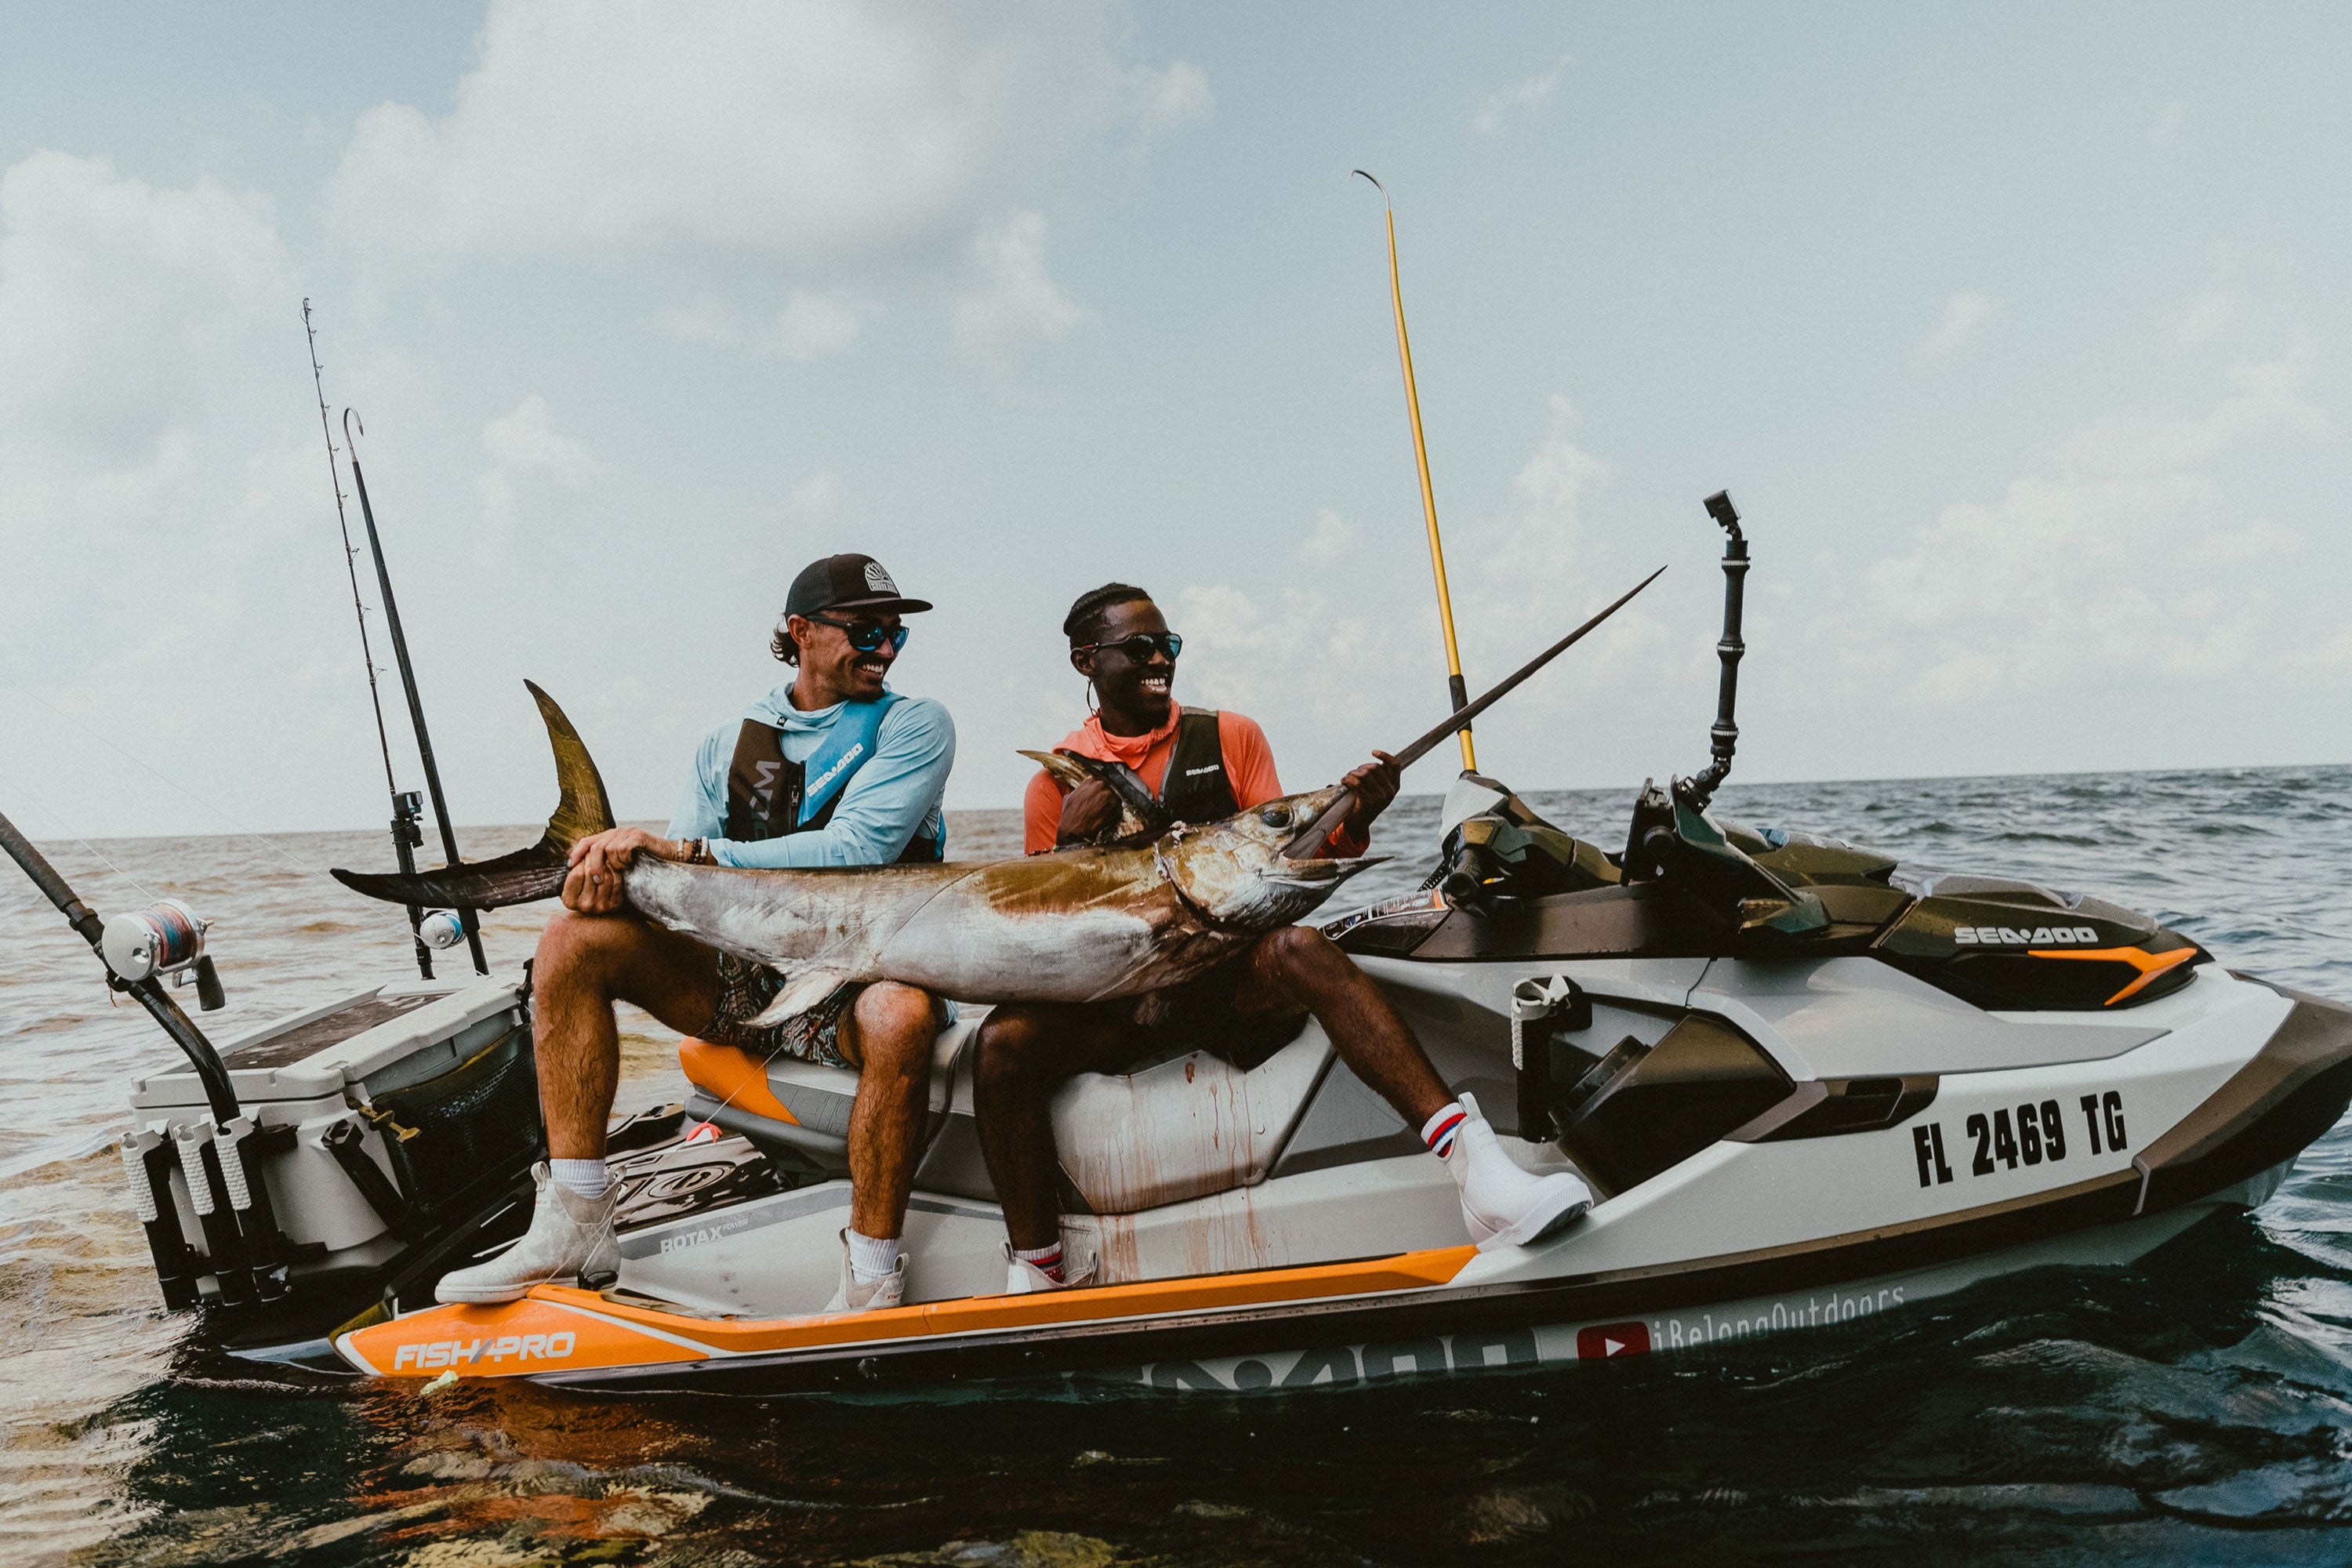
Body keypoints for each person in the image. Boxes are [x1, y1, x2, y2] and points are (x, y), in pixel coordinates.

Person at [976, 583, 1591, 1292]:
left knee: (1301, 948)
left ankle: (1481, 1178)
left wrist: (1355, 821)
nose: (1160, 660)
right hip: (1122, 1004)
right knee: (999, 1045)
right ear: (1088, 662)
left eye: (1168, 645)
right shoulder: (1055, 782)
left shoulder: (1233, 737)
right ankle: (1039, 1269)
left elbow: (1288, 862)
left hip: (1224, 982)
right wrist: (1066, 846)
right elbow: (1044, 930)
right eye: (1138, 648)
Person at [436, 553, 956, 1313]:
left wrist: (687, 853)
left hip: (863, 974)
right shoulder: (725, 745)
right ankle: (577, 1216)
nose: (884, 649)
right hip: (749, 981)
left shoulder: (915, 723)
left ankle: (872, 1269)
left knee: (900, 1012)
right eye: (866, 630)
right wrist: (603, 884)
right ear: (801, 631)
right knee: (571, 938)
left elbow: (857, 852)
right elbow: (682, 898)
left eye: (895, 634)